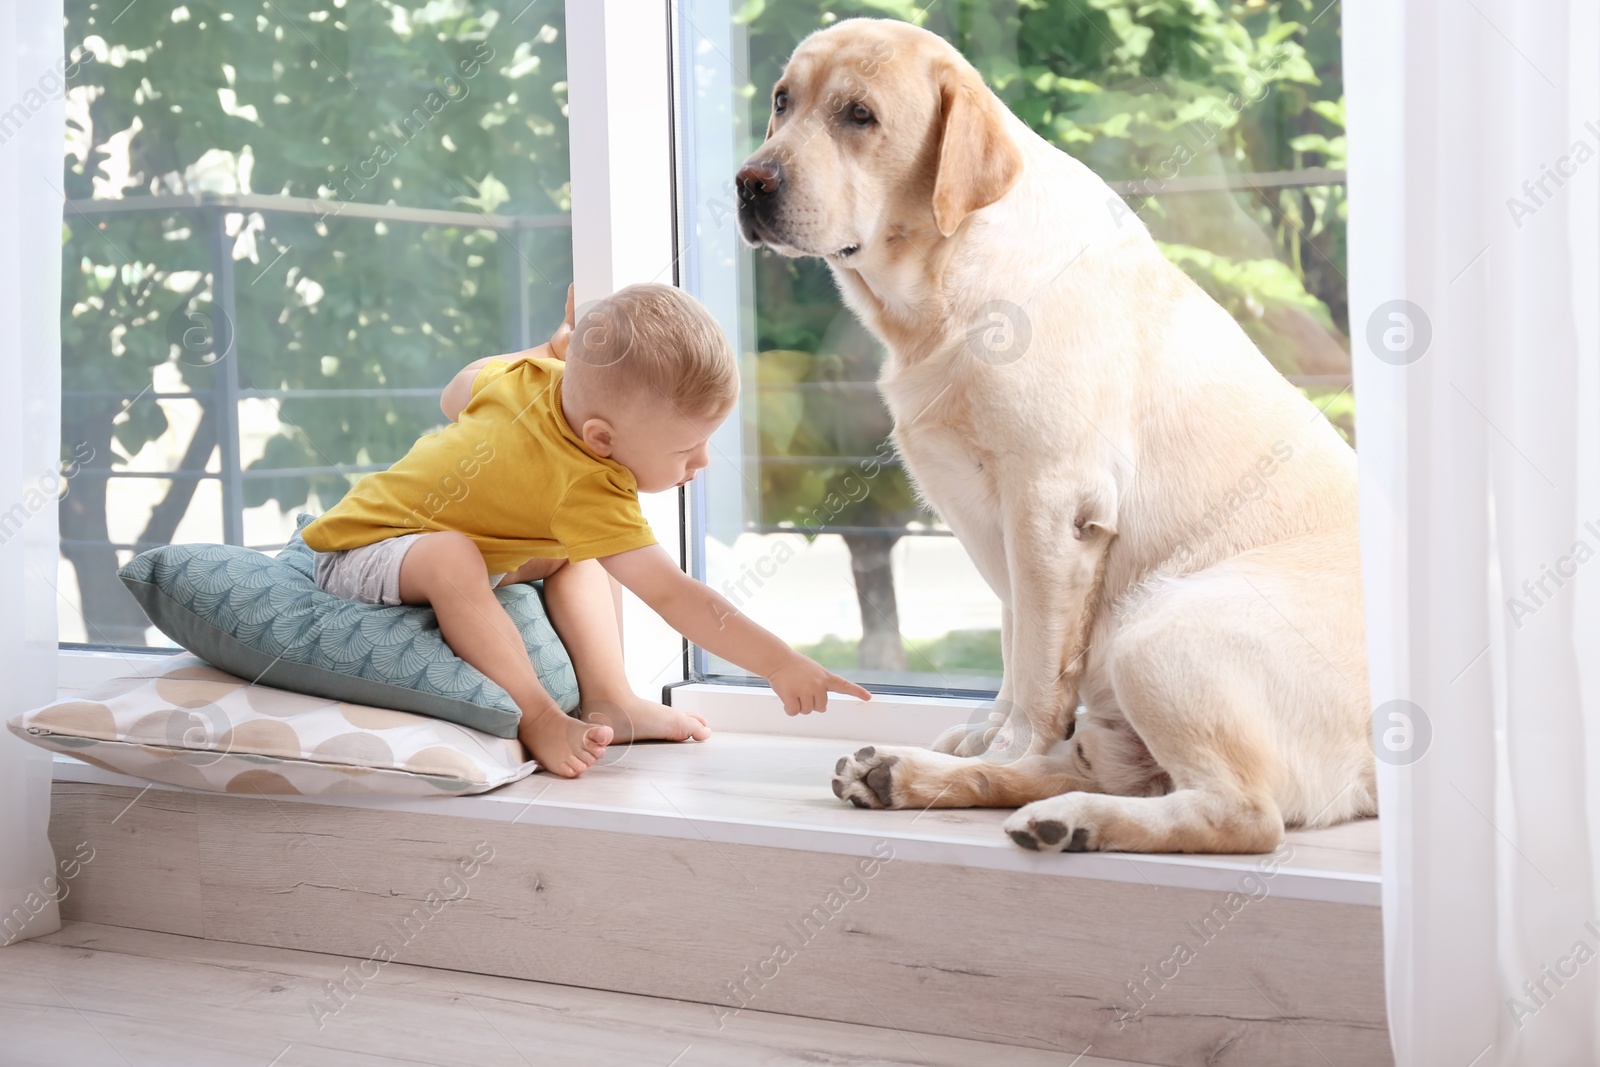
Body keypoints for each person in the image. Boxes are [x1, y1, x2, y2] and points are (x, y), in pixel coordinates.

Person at [302, 283, 870, 776]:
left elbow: (455, 393)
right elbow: (674, 595)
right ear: (601, 439)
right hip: (361, 549)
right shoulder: (591, 486)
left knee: (574, 554)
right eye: (685, 448)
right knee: (450, 556)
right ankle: (539, 715)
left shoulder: (535, 377)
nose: (702, 463)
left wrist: (556, 349)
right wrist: (778, 662)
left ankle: (611, 700)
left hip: (456, 545)